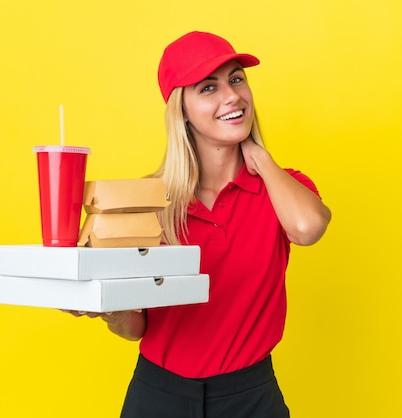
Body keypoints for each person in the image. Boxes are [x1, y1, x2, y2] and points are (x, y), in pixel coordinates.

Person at [66, 31, 331, 417]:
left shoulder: (282, 187)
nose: (232, 96)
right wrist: (107, 307)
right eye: (209, 87)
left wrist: (261, 159)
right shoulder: (149, 202)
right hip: (159, 395)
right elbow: (134, 328)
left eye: (236, 79)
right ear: (182, 111)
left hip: (251, 395)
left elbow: (308, 228)